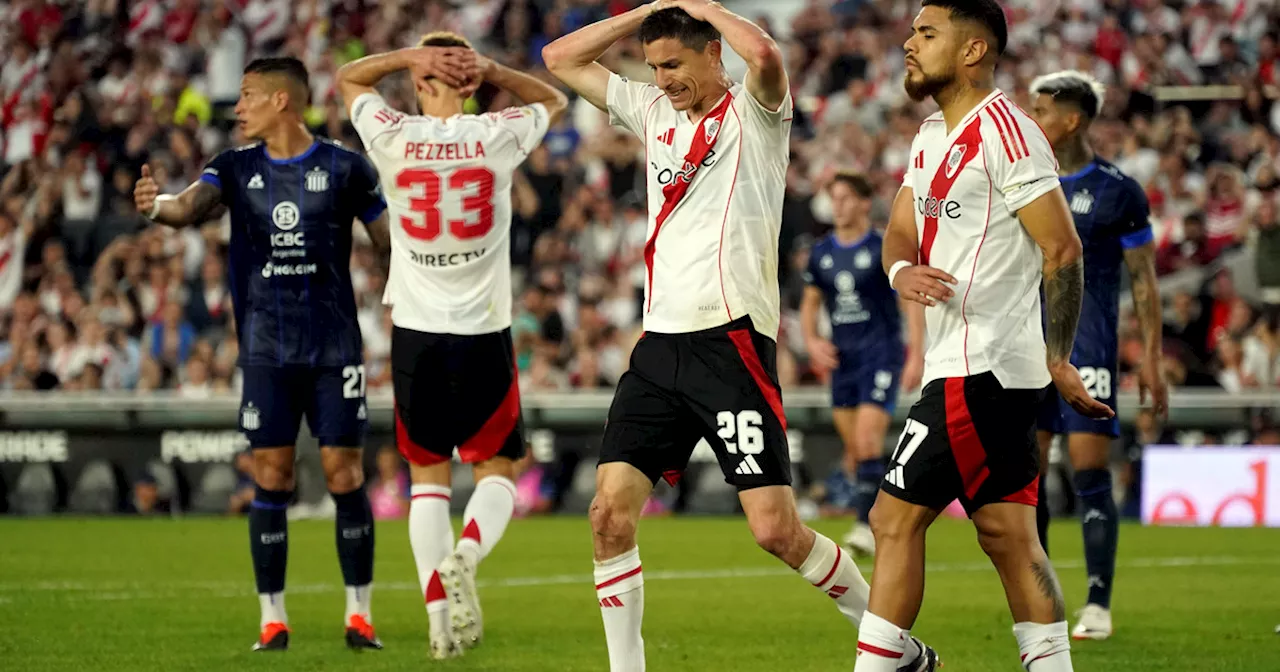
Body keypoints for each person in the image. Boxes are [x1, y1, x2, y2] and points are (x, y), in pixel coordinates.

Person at [543, 2, 939, 670]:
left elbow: (765, 58)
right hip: (658, 346)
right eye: (654, 65)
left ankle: (891, 646)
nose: (663, 78)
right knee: (608, 515)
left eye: (675, 63)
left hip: (730, 343)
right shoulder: (650, 111)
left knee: (775, 531)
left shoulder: (757, 113)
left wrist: (701, 6)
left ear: (711, 55)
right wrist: (644, 13)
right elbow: (559, 59)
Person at [853, 1, 1116, 670]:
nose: (909, 44)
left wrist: (1057, 355)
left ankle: (890, 664)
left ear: (972, 51)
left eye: (927, 33)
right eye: (912, 31)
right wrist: (899, 269)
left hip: (984, 367)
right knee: (1009, 536)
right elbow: (899, 231)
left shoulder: (1008, 132)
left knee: (892, 521)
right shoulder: (928, 136)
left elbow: (1062, 249)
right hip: (974, 367)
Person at [133, 57, 390, 653]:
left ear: (282, 101)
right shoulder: (232, 166)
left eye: (247, 96)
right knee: (270, 476)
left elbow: (389, 244)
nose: (237, 107)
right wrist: (154, 206)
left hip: (334, 349)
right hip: (266, 349)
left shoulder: (346, 168)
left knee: (343, 474)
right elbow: (188, 207)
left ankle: (360, 615)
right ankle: (272, 619)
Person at [336, 33, 568, 659]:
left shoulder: (391, 135)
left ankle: (439, 625)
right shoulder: (496, 134)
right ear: (468, 85)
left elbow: (348, 80)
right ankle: (466, 554)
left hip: (415, 332)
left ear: (418, 83)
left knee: (427, 483)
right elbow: (554, 100)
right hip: (484, 332)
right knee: (498, 471)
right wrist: (492, 69)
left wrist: (403, 58)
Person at [1028, 70, 1168, 641]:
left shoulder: (1118, 191)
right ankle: (1039, 603)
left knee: (1088, 475)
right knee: (1026, 482)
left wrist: (1152, 359)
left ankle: (1098, 604)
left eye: (1042, 111)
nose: (1032, 119)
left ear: (1073, 120)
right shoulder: (1023, 180)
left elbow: (1145, 282)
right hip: (1025, 349)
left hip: (1089, 347)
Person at [801, 171, 925, 556]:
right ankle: (887, 513)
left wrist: (916, 354)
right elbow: (810, 304)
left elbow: (909, 301)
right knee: (855, 450)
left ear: (863, 203)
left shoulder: (882, 247)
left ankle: (864, 525)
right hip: (843, 360)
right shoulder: (822, 253)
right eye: (833, 199)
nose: (837, 206)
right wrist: (812, 342)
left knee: (869, 440)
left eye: (844, 198)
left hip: (880, 355)